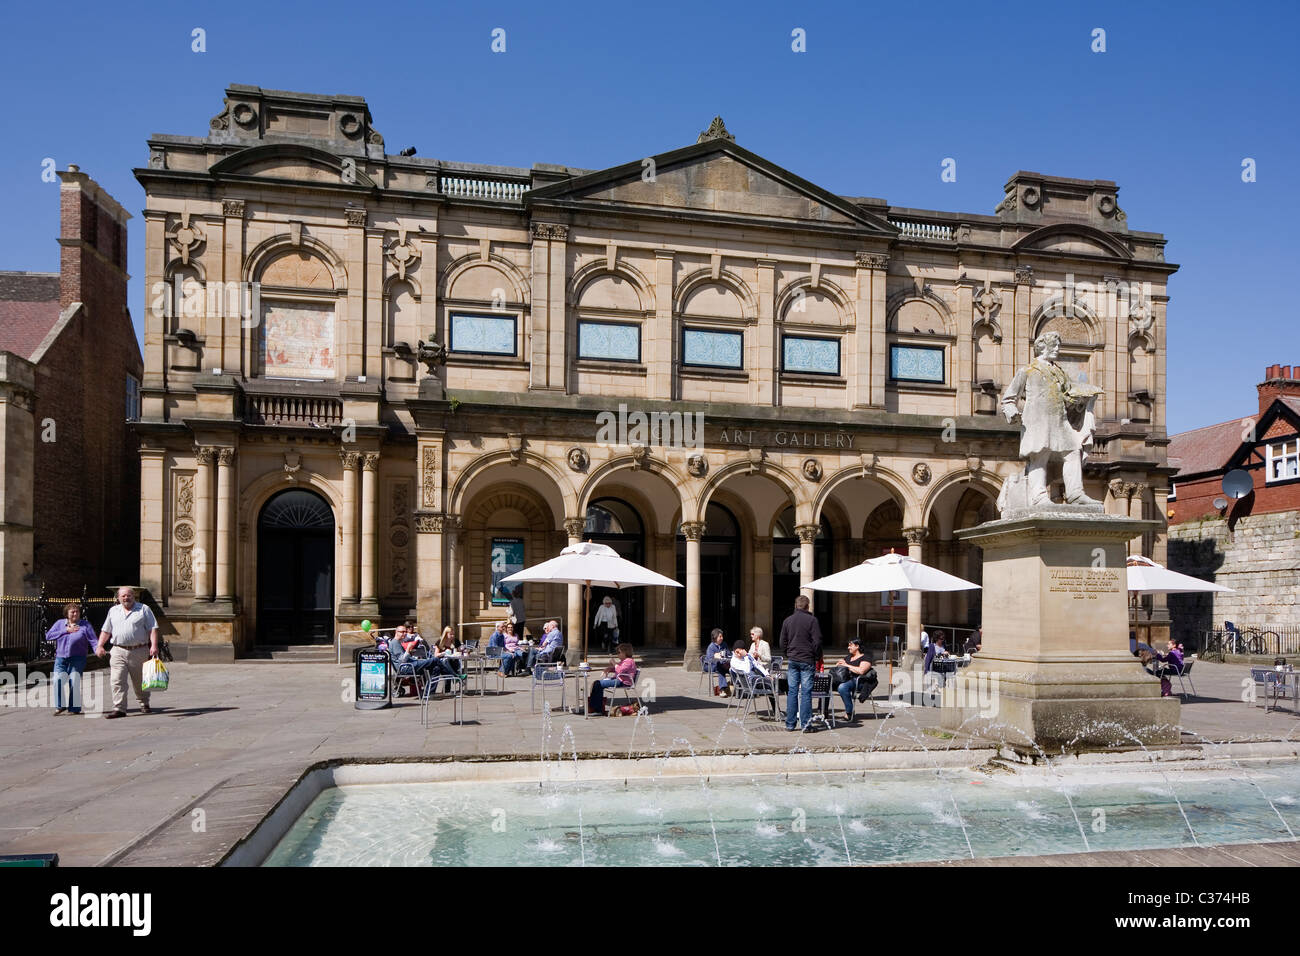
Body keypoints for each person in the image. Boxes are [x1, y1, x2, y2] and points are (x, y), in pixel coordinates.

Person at [1000, 330, 1105, 507]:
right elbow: (1009, 399)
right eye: (1054, 345)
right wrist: (1011, 412)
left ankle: (1075, 494)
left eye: (1058, 345)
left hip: (1060, 421)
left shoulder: (1060, 373)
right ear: (1042, 347)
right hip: (1037, 421)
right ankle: (1039, 496)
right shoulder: (1027, 371)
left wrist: (1084, 397)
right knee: (1040, 456)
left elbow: (1068, 395)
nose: (1058, 349)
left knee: (1073, 451)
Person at [95, 586, 160, 719]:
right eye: (123, 596)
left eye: (129, 595)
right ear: (118, 598)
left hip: (139, 650)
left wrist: (153, 645)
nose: (126, 598)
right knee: (117, 680)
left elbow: (152, 629)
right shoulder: (113, 611)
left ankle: (144, 702)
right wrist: (100, 645)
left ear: (133, 596)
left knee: (139, 680)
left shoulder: (143, 609)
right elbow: (106, 630)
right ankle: (119, 708)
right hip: (118, 650)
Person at [779, 594, 822, 731]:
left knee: (792, 691)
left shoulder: (788, 620)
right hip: (807, 660)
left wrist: (788, 653)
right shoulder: (812, 620)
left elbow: (782, 642)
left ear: (796, 606)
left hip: (793, 660)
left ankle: (790, 724)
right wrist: (816, 656)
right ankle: (806, 725)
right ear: (807, 606)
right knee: (806, 692)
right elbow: (817, 641)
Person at [47, 603, 94, 715]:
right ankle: (60, 706)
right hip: (61, 658)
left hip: (78, 659)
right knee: (57, 680)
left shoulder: (85, 625)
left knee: (74, 681)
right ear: (67, 614)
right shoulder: (59, 624)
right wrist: (66, 631)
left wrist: (98, 649)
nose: (75, 613)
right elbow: (48, 636)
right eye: (72, 611)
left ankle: (74, 708)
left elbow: (93, 640)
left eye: (77, 611)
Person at [585, 643, 637, 716]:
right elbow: (618, 668)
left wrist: (613, 663)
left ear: (625, 652)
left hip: (622, 682)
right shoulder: (625, 661)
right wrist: (609, 669)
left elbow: (620, 670)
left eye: (619, 652)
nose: (617, 654)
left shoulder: (629, 661)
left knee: (598, 684)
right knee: (596, 683)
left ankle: (597, 709)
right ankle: (594, 707)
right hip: (619, 680)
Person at [830, 638, 874, 722]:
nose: (848, 647)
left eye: (850, 645)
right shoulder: (848, 657)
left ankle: (849, 712)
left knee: (842, 687)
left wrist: (846, 665)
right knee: (826, 685)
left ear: (857, 646)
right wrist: (838, 665)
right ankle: (823, 711)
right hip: (846, 679)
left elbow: (861, 671)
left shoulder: (866, 658)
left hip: (859, 681)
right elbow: (841, 667)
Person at [703, 629, 730, 696]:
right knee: (720, 668)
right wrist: (715, 656)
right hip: (710, 666)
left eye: (722, 636)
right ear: (715, 637)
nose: (722, 638)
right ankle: (722, 690)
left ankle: (736, 686)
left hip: (723, 664)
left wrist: (725, 656)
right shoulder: (711, 647)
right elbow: (709, 659)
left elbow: (729, 654)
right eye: (720, 636)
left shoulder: (724, 644)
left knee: (733, 668)